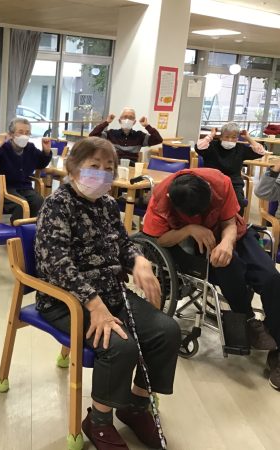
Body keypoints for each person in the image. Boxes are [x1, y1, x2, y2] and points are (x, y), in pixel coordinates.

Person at [35, 137, 181, 449]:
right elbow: (56, 264)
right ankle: (99, 421)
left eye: (108, 168)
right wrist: (94, 304)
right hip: (66, 300)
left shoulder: (108, 205)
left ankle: (136, 406)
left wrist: (139, 261)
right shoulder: (57, 206)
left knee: (166, 331)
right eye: (94, 166)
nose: (101, 174)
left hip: (111, 294)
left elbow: (124, 245)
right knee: (120, 346)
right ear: (73, 168)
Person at [143, 167, 280, 391]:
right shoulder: (162, 198)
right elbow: (159, 239)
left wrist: (226, 242)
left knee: (271, 278)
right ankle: (247, 319)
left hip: (234, 235)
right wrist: (189, 229)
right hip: (194, 245)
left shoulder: (220, 183)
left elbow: (229, 222)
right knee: (229, 266)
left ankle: (278, 347)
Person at [0, 117, 52, 222]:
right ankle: (17, 230)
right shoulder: (3, 148)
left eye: (27, 133)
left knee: (39, 201)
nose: (24, 136)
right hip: (4, 188)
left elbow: (40, 164)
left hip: (24, 188)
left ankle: (31, 229)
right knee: (21, 204)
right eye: (20, 132)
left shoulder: (30, 148)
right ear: (11, 134)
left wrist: (46, 152)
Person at [196, 122, 266, 215]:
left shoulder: (240, 148)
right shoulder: (212, 146)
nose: (230, 140)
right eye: (226, 137)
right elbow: (199, 147)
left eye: (234, 137)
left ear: (237, 138)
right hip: (211, 181)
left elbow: (261, 152)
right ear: (221, 137)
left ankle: (236, 222)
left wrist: (248, 138)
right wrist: (211, 135)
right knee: (205, 201)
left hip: (234, 183)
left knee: (239, 202)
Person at [89, 107, 163, 163]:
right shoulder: (111, 134)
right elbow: (92, 136)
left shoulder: (140, 136)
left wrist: (147, 126)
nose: (127, 120)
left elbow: (158, 139)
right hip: (114, 166)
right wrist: (106, 122)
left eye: (131, 118)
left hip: (132, 168)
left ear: (134, 122)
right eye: (125, 117)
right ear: (119, 121)